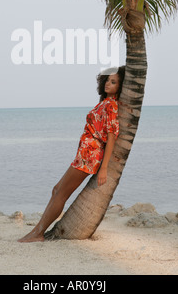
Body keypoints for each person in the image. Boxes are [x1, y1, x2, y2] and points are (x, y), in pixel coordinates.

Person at [18, 66, 126, 243]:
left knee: (61, 194)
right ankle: (37, 229)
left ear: (119, 87)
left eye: (113, 82)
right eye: (107, 80)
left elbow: (112, 137)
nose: (108, 83)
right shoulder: (104, 103)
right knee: (56, 189)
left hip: (91, 156)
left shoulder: (112, 106)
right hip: (84, 155)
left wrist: (104, 168)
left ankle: (38, 233)